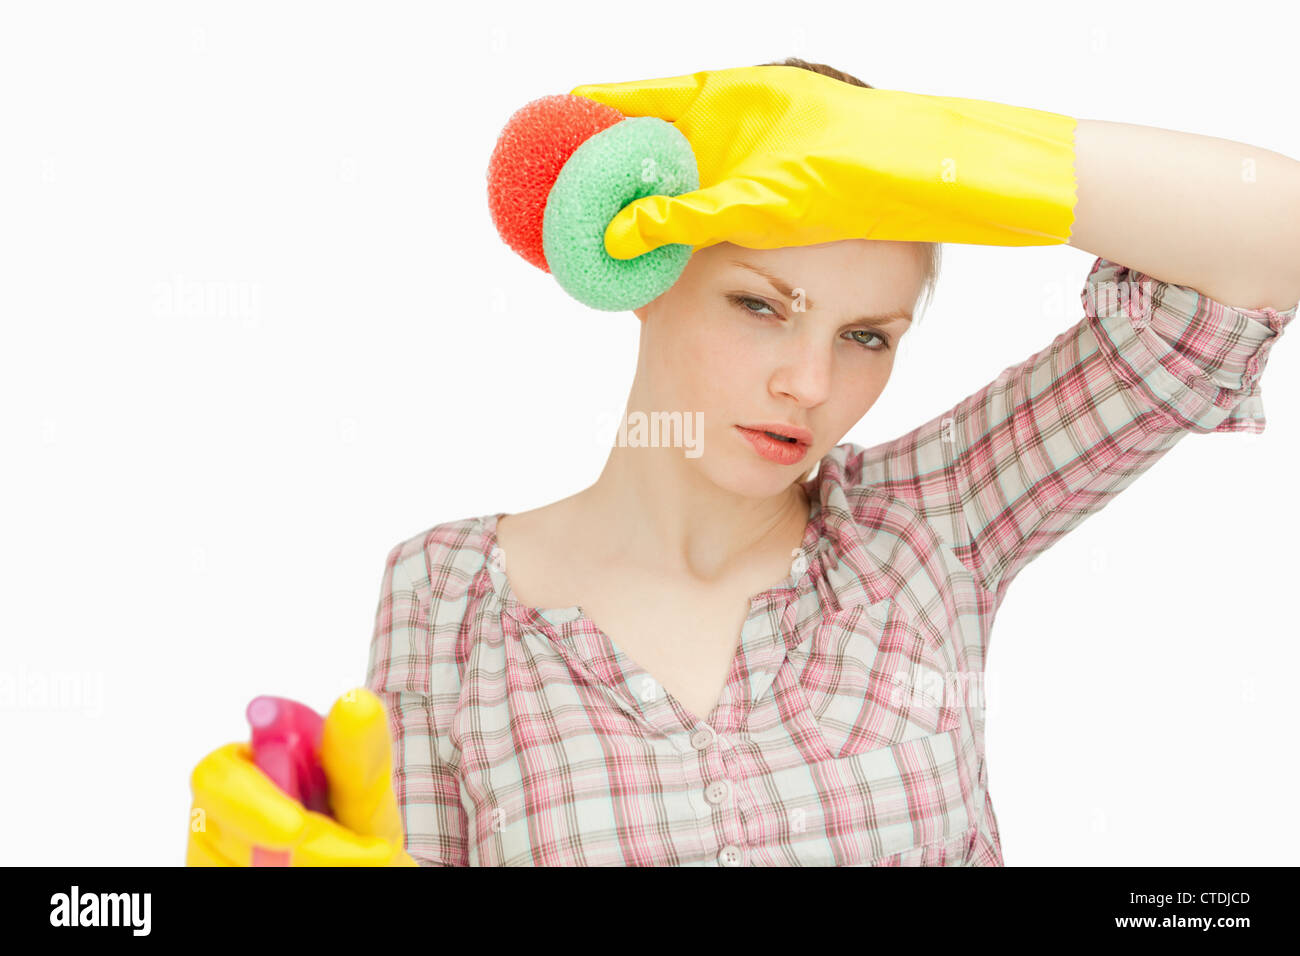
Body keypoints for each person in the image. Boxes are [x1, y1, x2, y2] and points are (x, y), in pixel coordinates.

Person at [187, 58, 1300, 866]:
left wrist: (919, 148)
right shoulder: (447, 594)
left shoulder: (933, 522)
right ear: (651, 272)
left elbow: (1268, 243)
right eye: (760, 305)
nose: (809, 384)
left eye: (866, 336)